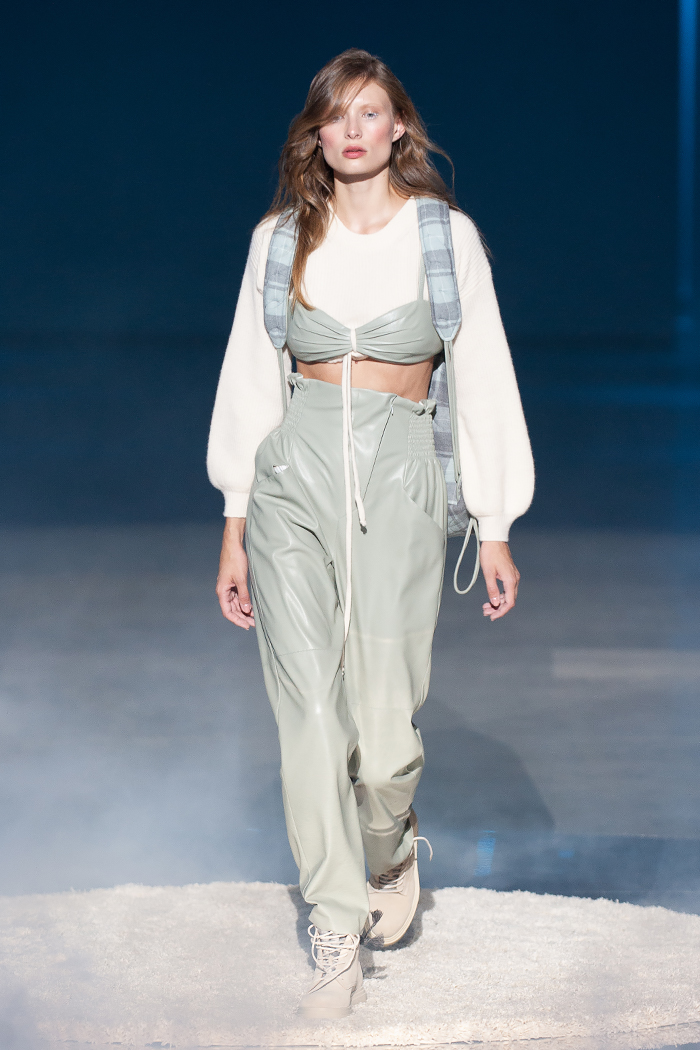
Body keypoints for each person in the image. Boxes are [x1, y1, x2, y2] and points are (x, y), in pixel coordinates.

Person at [207, 49, 534, 1019]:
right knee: (309, 709)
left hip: (400, 479)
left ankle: (388, 850)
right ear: (314, 133)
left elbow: (483, 373)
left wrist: (495, 523)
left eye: (370, 113)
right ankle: (334, 926)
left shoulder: (443, 237)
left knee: (385, 741)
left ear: (399, 128)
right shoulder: (279, 240)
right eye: (335, 115)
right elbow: (248, 378)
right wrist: (233, 522)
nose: (352, 130)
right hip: (291, 481)